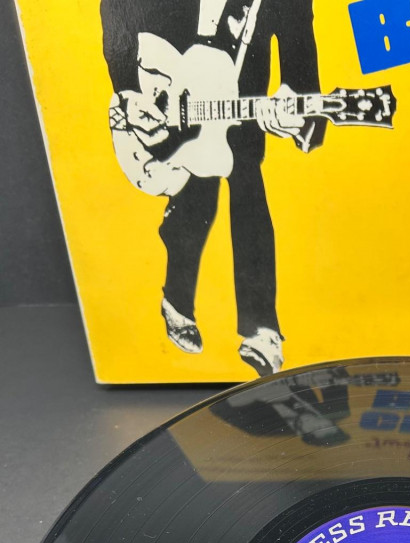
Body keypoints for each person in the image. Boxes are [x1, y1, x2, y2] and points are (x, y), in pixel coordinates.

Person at [100, 0, 326, 375]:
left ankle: (261, 327)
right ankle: (177, 299)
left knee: (248, 186)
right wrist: (128, 89)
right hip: (168, 86)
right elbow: (119, 7)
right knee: (196, 196)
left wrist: (297, 97)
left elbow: (296, 27)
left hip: (241, 91)